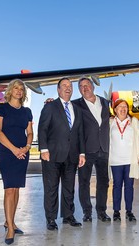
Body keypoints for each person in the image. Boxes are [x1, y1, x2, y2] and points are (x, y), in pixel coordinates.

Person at [38, 78, 85, 231]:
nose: (68, 88)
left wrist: (82, 153)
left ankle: (68, 216)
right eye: (64, 86)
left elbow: (80, 133)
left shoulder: (77, 109)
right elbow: (42, 128)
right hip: (52, 155)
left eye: (70, 86)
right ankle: (50, 219)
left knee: (69, 188)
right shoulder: (50, 106)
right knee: (51, 188)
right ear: (58, 90)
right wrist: (43, 149)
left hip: (71, 156)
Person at [0, 79, 33, 245]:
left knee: (16, 189)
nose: (18, 91)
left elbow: (30, 132)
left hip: (23, 153)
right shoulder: (1, 108)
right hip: (7, 152)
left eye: (21, 89)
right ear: (10, 90)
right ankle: (10, 228)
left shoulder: (27, 112)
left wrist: (27, 146)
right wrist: (14, 149)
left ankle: (10, 221)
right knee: (9, 189)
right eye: (15, 88)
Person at [72, 77, 111, 222]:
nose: (84, 88)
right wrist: (50, 103)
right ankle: (87, 212)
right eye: (81, 86)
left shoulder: (106, 102)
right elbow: (62, 108)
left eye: (87, 85)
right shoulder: (76, 104)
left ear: (93, 87)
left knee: (103, 182)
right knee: (83, 182)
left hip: (103, 148)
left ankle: (101, 211)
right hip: (86, 150)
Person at [109, 99, 139, 221]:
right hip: (115, 161)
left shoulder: (133, 121)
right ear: (115, 109)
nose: (123, 109)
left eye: (125, 107)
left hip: (130, 160)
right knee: (117, 186)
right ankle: (116, 212)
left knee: (129, 186)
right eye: (120, 107)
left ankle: (129, 211)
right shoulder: (111, 122)